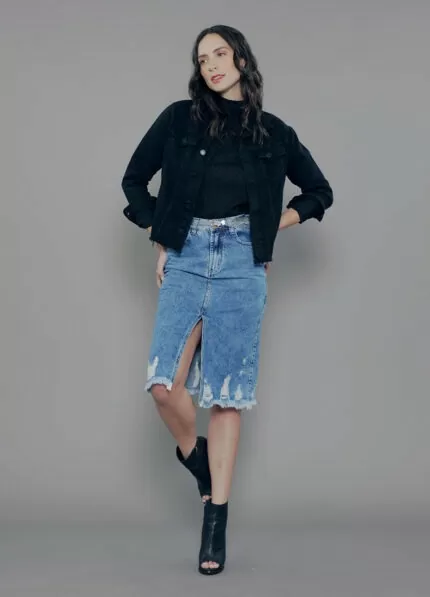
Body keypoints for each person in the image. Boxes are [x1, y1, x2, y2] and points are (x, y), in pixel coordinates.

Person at [121, 24, 333, 575]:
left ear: (241, 58)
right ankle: (197, 461)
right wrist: (162, 235)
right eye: (202, 58)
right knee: (163, 385)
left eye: (220, 53)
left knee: (227, 396)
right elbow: (134, 182)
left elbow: (318, 192)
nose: (212, 65)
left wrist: (267, 228)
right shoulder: (177, 119)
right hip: (186, 255)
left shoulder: (275, 133)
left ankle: (215, 522)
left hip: (243, 263)